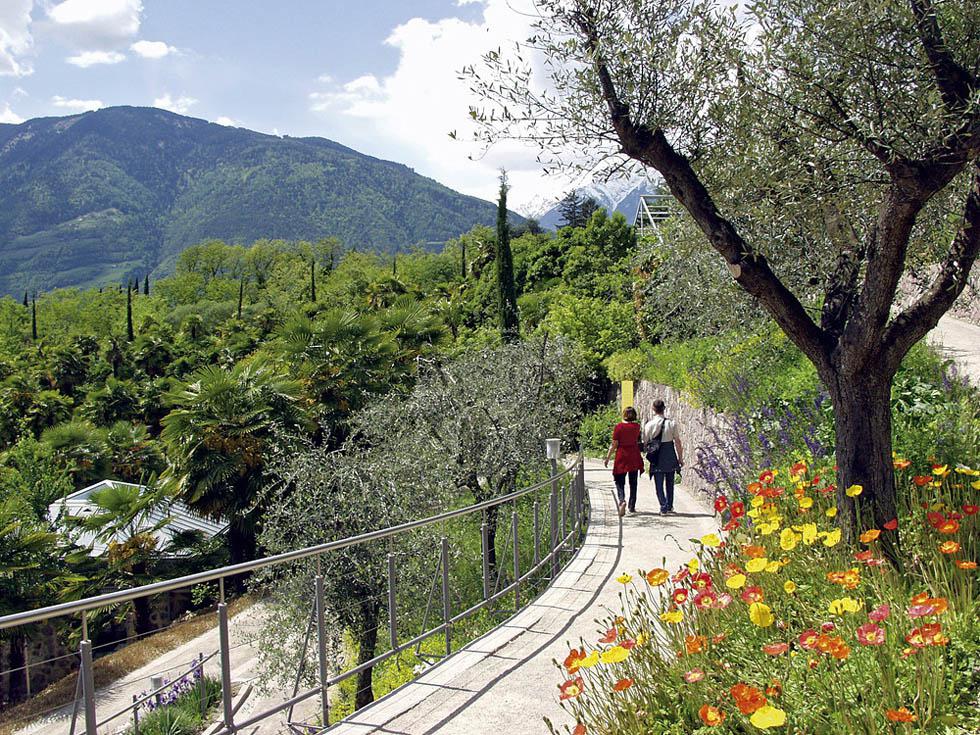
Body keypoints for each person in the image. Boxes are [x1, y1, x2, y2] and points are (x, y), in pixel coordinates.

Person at [642, 399, 684, 515]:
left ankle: (663, 506)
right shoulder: (671, 423)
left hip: (657, 456)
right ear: (664, 409)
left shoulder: (649, 425)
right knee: (670, 483)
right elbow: (678, 442)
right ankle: (670, 506)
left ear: (653, 409)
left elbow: (645, 442)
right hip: (670, 454)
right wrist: (680, 458)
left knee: (659, 484)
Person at [603, 406, 643, 517]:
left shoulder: (619, 427)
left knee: (619, 480)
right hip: (634, 455)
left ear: (624, 414)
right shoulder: (637, 427)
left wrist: (607, 457)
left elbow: (614, 444)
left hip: (622, 455)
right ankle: (632, 506)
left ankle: (622, 501)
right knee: (633, 482)